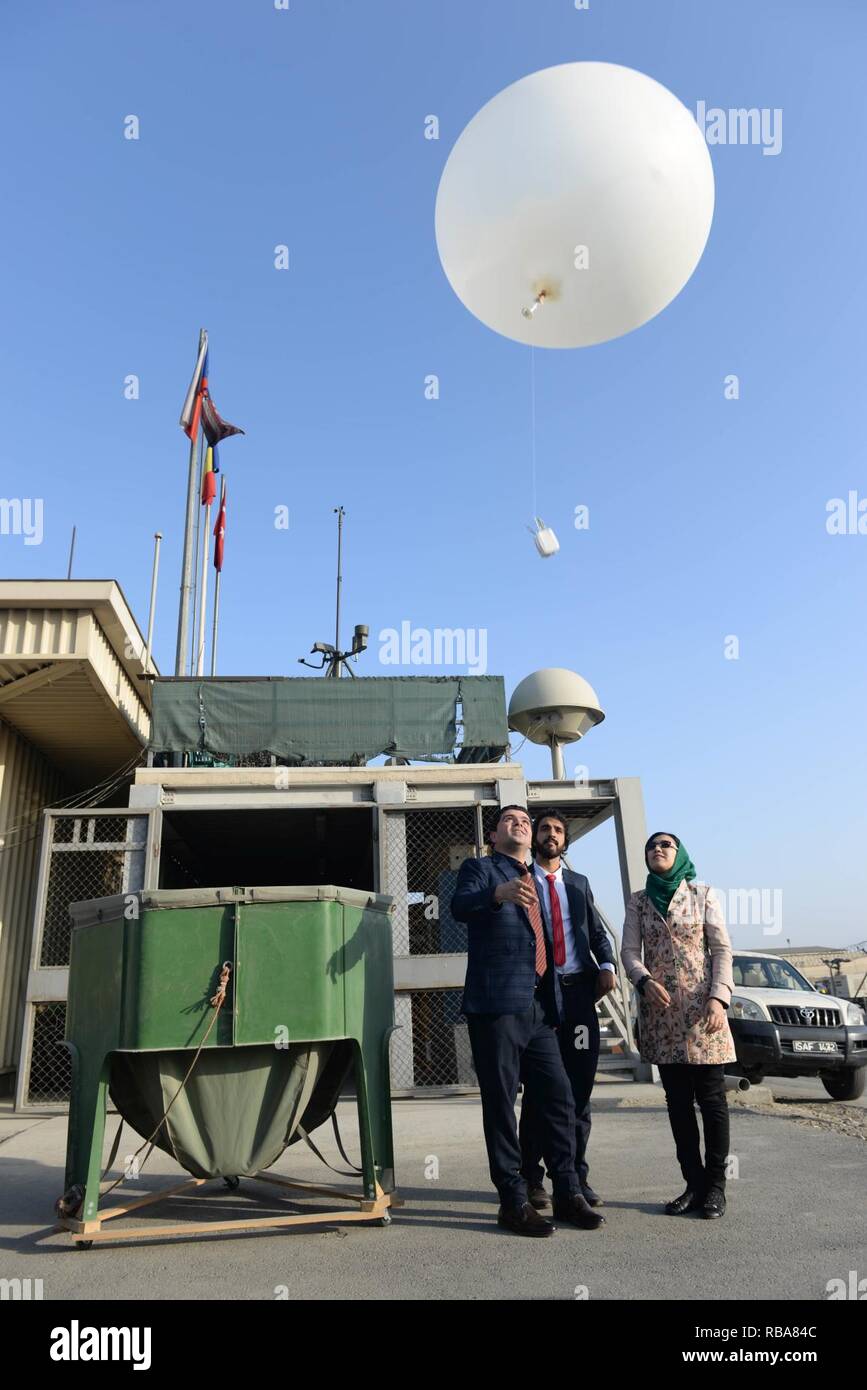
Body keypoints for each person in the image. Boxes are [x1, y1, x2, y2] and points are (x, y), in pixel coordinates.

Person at [451, 805, 604, 1236]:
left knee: (558, 1097)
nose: (519, 823)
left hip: (541, 1007)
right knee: (501, 1104)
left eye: (524, 820)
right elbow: (459, 908)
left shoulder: (543, 878)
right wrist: (496, 895)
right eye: (509, 820)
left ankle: (568, 1191)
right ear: (495, 834)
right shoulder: (479, 870)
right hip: (497, 1006)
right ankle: (513, 1200)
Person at [621, 832, 736, 1219]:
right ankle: (693, 1184)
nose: (657, 850)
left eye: (665, 845)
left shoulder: (703, 895)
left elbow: (721, 949)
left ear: (680, 852)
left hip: (705, 1015)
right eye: (651, 846)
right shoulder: (638, 901)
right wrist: (643, 979)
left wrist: (719, 997)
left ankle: (716, 1188)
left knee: (712, 1100)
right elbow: (629, 952)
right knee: (678, 1105)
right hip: (662, 1016)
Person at [518, 809, 617, 1210]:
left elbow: (595, 931)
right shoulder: (521, 879)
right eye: (545, 829)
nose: (552, 835)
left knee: (579, 1089)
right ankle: (531, 1177)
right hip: (541, 996)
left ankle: (575, 1176)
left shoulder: (579, 883)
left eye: (558, 830)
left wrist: (607, 965)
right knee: (541, 1090)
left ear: (565, 840)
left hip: (578, 995)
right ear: (536, 838)